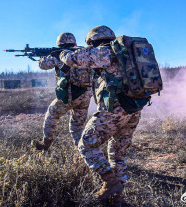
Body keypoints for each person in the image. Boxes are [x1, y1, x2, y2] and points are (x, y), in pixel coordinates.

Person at [59, 25, 152, 205]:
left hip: (114, 111)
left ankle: (109, 182)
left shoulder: (103, 52)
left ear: (93, 41)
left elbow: (71, 59)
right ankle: (117, 197)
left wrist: (62, 53)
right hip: (134, 109)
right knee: (118, 153)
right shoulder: (124, 52)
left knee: (85, 144)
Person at [32, 32, 91, 151]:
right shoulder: (82, 54)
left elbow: (42, 65)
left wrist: (50, 56)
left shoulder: (60, 55)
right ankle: (83, 151)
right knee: (77, 126)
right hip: (85, 96)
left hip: (68, 95)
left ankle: (45, 144)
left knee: (51, 115)